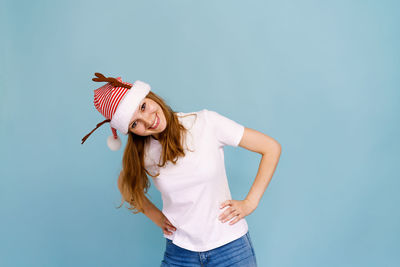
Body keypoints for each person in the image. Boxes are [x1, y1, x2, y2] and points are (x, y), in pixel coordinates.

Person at [81, 73, 281, 266]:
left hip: (230, 250)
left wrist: (250, 203)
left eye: (143, 106)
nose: (148, 121)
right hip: (180, 252)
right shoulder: (143, 153)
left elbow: (271, 147)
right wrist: (156, 216)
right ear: (131, 130)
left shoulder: (206, 122)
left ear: (148, 96)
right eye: (135, 123)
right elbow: (124, 183)